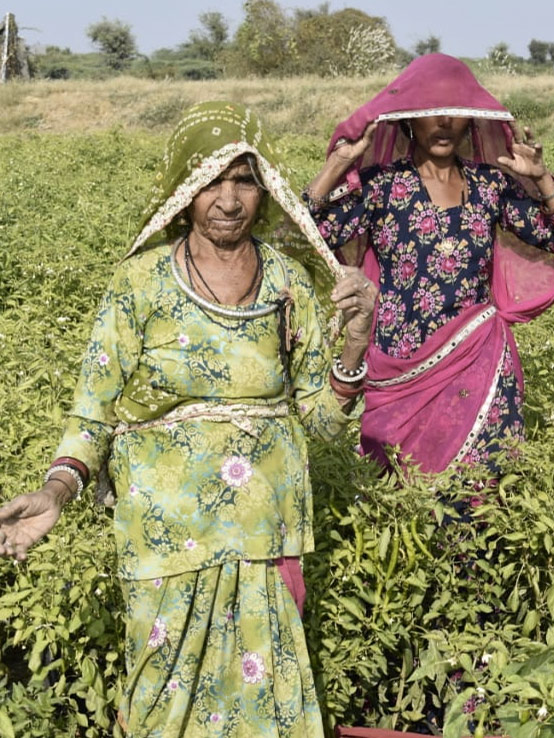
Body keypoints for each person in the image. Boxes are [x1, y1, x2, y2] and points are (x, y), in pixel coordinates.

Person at [0, 102, 377, 735]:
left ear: (266, 188)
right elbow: (93, 407)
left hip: (265, 536)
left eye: (244, 180)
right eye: (211, 181)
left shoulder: (288, 282)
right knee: (162, 701)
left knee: (267, 704)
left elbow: (321, 426)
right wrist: (56, 490)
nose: (229, 200)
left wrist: (355, 347)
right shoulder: (139, 283)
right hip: (166, 536)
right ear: (182, 189)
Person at [304, 53, 554, 476]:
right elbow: (309, 240)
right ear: (407, 121)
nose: (442, 124)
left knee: (483, 488)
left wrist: (542, 179)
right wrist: (336, 168)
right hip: (399, 361)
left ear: (470, 121)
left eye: (453, 114)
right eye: (430, 114)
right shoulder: (383, 185)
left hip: (479, 355)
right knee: (399, 493)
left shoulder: (490, 184)